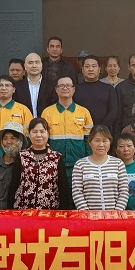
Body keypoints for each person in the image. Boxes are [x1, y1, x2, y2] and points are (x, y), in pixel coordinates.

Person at [43, 75, 92, 206]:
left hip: (78, 163)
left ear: (73, 89)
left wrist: (88, 161)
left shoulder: (84, 112)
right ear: (56, 90)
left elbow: (89, 140)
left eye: (68, 85)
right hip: (54, 164)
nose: (65, 88)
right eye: (61, 86)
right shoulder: (47, 112)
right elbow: (43, 141)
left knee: (76, 198)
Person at [71, 125, 129, 210]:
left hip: (114, 215)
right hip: (88, 216)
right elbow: (77, 192)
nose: (101, 145)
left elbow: (124, 191)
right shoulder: (80, 165)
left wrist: (116, 213)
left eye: (105, 141)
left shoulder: (118, 164)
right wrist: (87, 214)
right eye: (97, 140)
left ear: (110, 142)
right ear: (90, 142)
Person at [0, 76, 34, 162]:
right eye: (0, 85)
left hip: (16, 158)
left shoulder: (23, 110)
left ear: (13, 90)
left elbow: (28, 137)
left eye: (7, 85)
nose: (4, 88)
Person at [14, 118, 64, 209]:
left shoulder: (57, 157)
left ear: (48, 134)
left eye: (42, 131)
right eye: (34, 132)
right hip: (24, 210)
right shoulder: (22, 156)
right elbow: (14, 185)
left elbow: (63, 188)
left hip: (50, 211)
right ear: (29, 134)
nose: (38, 135)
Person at [75, 56, 120, 135]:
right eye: (87, 66)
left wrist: (100, 128)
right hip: (80, 132)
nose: (91, 69)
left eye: (94, 66)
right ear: (82, 70)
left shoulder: (108, 89)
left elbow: (113, 111)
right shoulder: (75, 90)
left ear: (99, 69)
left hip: (103, 133)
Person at [0, 122, 25, 209]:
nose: (9, 142)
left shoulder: (26, 164)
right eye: (5, 138)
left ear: (20, 141)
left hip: (17, 214)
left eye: (13, 138)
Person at [15, 52, 55, 117]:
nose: (34, 66)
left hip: (46, 122)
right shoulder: (17, 86)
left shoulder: (52, 86)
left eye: (37, 62)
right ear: (25, 66)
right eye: (30, 63)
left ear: (41, 65)